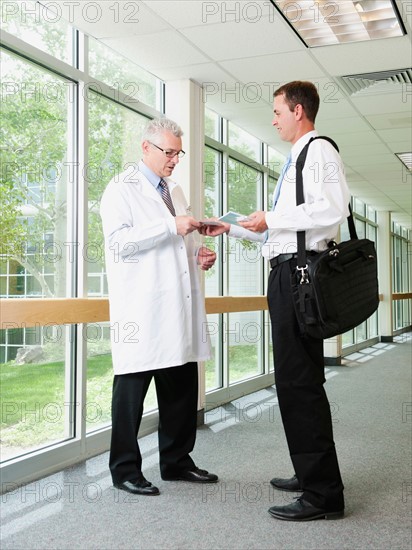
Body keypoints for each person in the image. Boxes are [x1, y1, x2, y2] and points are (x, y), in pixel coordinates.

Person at [202, 81, 349, 520]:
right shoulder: (297, 158)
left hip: (300, 277)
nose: (273, 118)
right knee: (295, 379)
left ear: (299, 110)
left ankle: (323, 495)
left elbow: (332, 208)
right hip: (287, 273)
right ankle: (311, 474)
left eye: (278, 111)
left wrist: (273, 217)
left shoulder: (318, 150)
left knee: (298, 381)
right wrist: (236, 228)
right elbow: (281, 231)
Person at [100, 117, 219, 496]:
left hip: (178, 309)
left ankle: (176, 462)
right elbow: (120, 243)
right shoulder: (121, 189)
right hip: (143, 311)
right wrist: (172, 227)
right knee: (131, 393)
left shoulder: (174, 190)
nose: (174, 159)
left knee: (181, 389)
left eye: (178, 152)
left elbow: (177, 242)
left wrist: (197, 254)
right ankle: (124, 470)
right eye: (168, 152)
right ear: (146, 148)